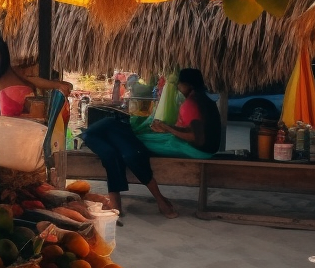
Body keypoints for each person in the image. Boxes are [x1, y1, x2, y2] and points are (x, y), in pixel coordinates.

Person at [80, 68, 221, 218]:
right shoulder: (202, 99)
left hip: (199, 150)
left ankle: (154, 201)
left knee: (134, 146)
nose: (178, 88)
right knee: (126, 148)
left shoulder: (191, 104)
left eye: (179, 85)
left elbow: (196, 137)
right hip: (208, 148)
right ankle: (143, 202)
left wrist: (168, 128)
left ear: (188, 85)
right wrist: (168, 129)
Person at [0, 18, 72, 116]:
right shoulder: (12, 64)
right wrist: (57, 85)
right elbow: (32, 79)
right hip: (14, 106)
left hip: (2, 105)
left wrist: (57, 84)